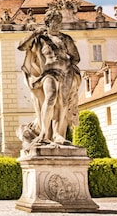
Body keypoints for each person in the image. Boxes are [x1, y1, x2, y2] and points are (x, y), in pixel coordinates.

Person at [17, 8, 81, 148]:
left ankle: (58, 135)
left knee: (62, 104)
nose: (57, 24)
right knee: (51, 97)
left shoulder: (66, 39)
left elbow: (76, 57)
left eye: (59, 21)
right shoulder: (40, 39)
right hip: (49, 73)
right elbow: (21, 46)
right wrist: (34, 33)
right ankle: (44, 133)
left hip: (66, 73)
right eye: (54, 22)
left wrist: (66, 64)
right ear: (47, 22)